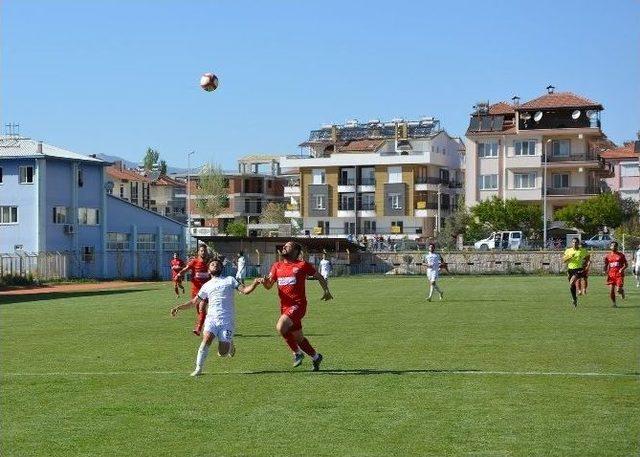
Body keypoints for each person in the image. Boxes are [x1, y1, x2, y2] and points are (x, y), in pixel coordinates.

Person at [170, 257, 261, 376]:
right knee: (206, 339)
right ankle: (198, 369)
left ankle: (230, 343)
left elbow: (245, 290)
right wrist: (178, 307)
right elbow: (194, 302)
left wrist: (254, 283)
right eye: (212, 264)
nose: (215, 265)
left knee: (222, 353)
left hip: (227, 320)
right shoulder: (206, 285)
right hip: (211, 318)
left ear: (221, 268)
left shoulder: (230, 280)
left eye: (217, 264)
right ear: (208, 270)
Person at [261, 241, 333, 371]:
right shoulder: (276, 266)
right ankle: (316, 357)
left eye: (287, 246)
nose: (284, 247)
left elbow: (319, 276)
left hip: (298, 305)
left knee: (281, 326)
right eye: (284, 246)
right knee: (298, 338)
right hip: (285, 307)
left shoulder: (302, 265)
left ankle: (297, 353)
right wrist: (265, 282)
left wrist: (326, 291)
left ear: (295, 251)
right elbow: (269, 286)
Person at [176, 244, 211, 336]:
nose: (203, 252)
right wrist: (179, 274)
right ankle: (208, 325)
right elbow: (185, 269)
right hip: (195, 291)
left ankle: (198, 329)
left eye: (205, 251)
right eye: (201, 251)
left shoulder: (210, 263)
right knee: (199, 311)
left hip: (206, 291)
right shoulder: (194, 262)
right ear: (198, 252)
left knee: (202, 308)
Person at [562, 238, 590, 307]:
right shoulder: (568, 251)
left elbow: (588, 257)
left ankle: (576, 296)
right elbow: (564, 260)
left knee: (572, 282)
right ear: (572, 243)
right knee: (572, 285)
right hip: (570, 269)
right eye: (573, 242)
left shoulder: (582, 250)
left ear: (578, 243)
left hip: (579, 269)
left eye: (576, 242)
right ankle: (574, 299)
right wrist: (570, 257)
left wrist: (585, 263)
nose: (575, 243)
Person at [604, 241, 627, 307]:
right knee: (611, 290)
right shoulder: (608, 256)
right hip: (611, 275)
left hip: (619, 275)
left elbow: (626, 265)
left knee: (618, 290)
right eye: (612, 246)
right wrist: (605, 270)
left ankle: (622, 291)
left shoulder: (621, 255)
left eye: (615, 246)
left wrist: (621, 269)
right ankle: (614, 304)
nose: (613, 247)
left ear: (617, 247)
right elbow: (606, 265)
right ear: (610, 247)